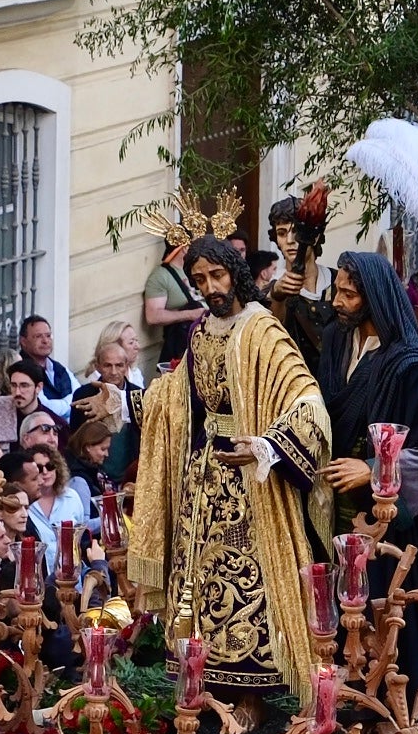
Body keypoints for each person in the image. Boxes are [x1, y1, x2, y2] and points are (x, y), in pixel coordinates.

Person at [125, 235, 331, 706]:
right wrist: (124, 402)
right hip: (202, 476)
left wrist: (267, 445)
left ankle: (249, 698)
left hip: (249, 482)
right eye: (199, 280)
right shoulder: (201, 329)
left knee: (246, 580)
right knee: (195, 580)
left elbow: (307, 400)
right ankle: (204, 684)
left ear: (234, 272)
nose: (210, 288)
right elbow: (177, 397)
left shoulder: (262, 329)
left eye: (217, 276)